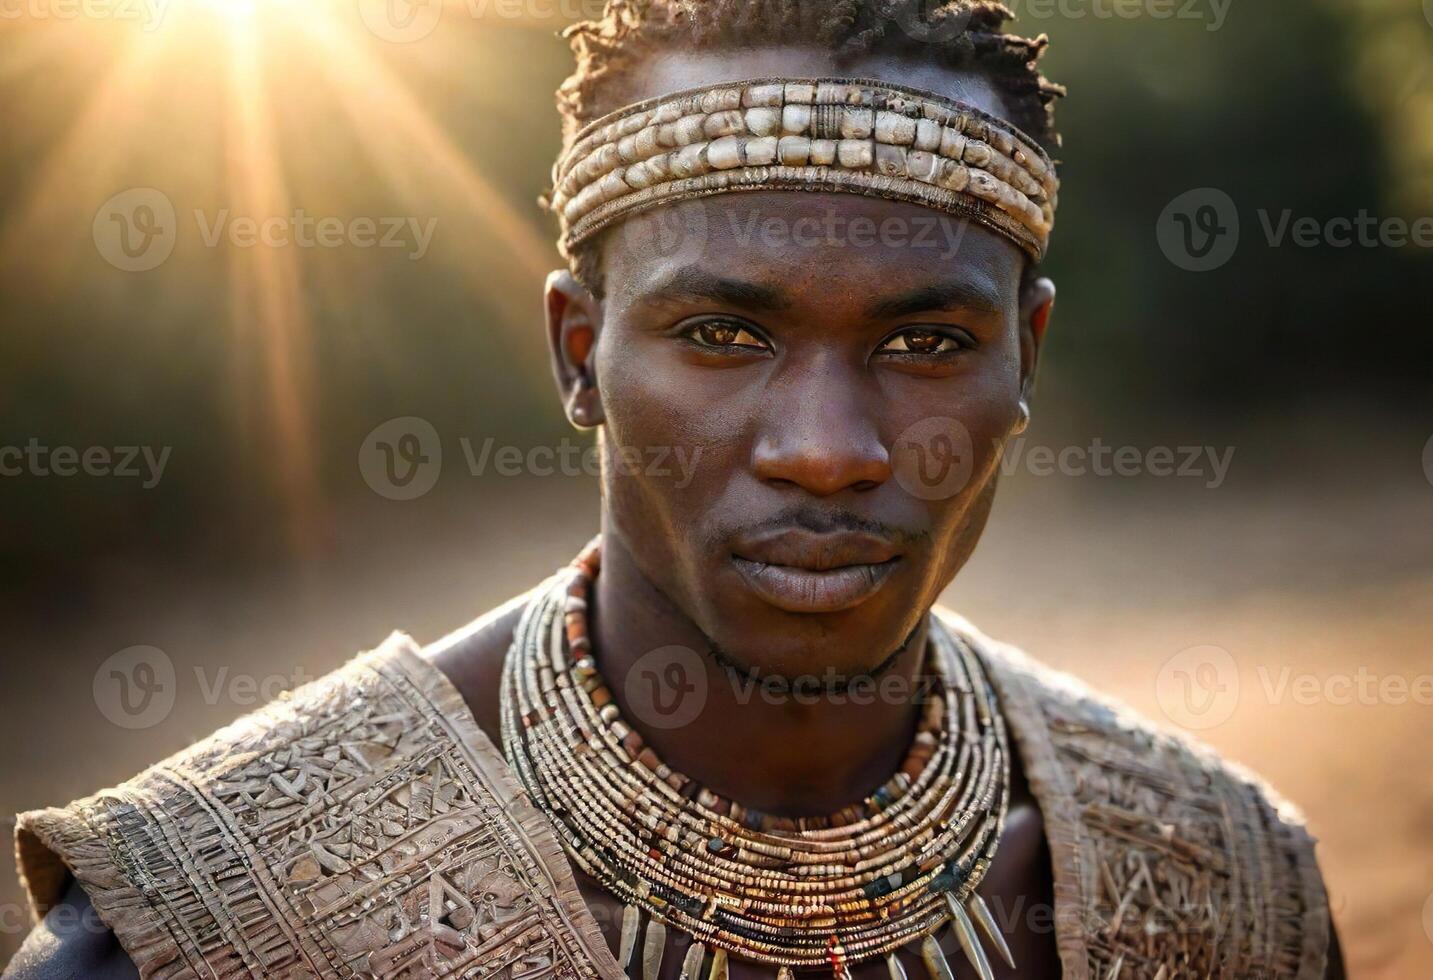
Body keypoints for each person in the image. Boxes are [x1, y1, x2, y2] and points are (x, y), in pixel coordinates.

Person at [6, 1, 1343, 977]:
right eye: (723, 336)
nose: (824, 449)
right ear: (579, 355)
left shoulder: (1226, 894)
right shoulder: (201, 930)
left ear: (1024, 355)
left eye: (925, 343)